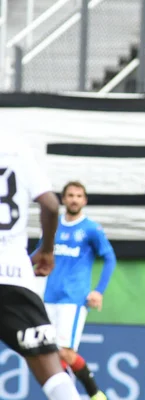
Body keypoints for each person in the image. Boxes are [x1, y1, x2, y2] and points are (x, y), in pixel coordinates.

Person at [0, 139, 80, 399]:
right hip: (13, 275)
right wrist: (46, 249)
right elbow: (50, 205)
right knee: (54, 374)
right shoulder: (15, 151)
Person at [34, 182, 116, 400]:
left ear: (84, 200)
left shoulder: (90, 229)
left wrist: (98, 291)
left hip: (74, 299)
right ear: (63, 199)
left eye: (79, 196)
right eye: (70, 195)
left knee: (65, 353)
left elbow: (109, 258)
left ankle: (95, 393)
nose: (74, 199)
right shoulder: (53, 226)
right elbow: (40, 252)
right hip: (49, 297)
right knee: (50, 354)